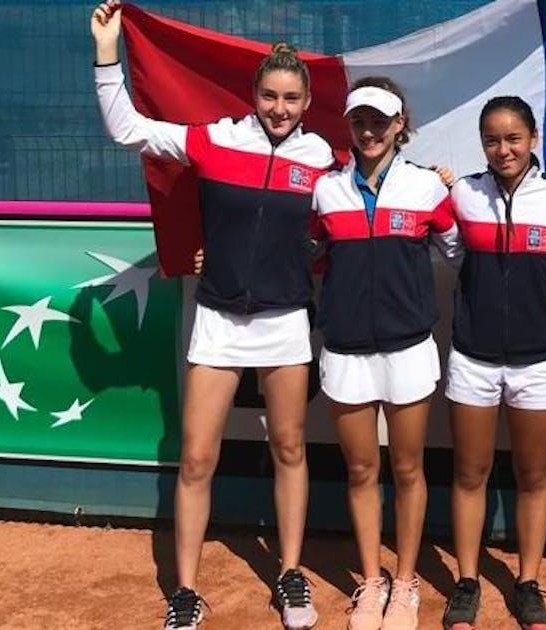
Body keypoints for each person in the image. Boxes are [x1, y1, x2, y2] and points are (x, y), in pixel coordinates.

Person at [91, 2, 333, 629]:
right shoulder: (215, 139)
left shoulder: (322, 159)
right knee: (197, 458)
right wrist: (107, 53)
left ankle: (290, 574)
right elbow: (126, 129)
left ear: (307, 103)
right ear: (254, 94)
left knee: (289, 447)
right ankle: (186, 592)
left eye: (291, 98)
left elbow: (356, 208)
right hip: (219, 321)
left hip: (285, 321)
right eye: (270, 95)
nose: (279, 108)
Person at [310, 77, 460, 630]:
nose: (369, 131)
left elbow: (455, 248)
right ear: (348, 126)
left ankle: (406, 581)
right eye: (359, 121)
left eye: (380, 121)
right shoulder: (326, 190)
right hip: (346, 350)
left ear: (400, 125)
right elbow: (310, 253)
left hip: (409, 349)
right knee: (360, 468)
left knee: (407, 466)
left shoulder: (426, 188)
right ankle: (372, 582)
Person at [440, 96, 546, 630]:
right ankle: (467, 582)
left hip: (538, 362)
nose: (504, 149)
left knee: (533, 475)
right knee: (469, 473)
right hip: (472, 359)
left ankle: (527, 583)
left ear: (533, 138)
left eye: (514, 138)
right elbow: (447, 249)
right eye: (493, 140)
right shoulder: (462, 195)